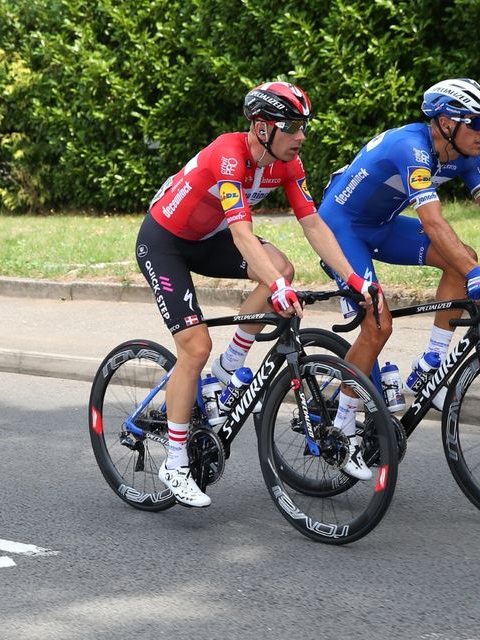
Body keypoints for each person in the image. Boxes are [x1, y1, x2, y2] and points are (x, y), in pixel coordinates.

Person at [137, 81, 377, 508]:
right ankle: (174, 463)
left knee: (281, 269)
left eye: (304, 126)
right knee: (195, 346)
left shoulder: (288, 163)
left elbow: (313, 223)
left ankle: (228, 368)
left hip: (208, 239)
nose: (301, 136)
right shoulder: (228, 154)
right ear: (263, 128)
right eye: (292, 127)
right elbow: (242, 233)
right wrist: (280, 290)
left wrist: (353, 279)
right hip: (165, 242)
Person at [318, 77, 480, 479]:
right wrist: (476, 275)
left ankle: (431, 363)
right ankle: (342, 427)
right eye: (477, 121)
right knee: (378, 326)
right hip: (339, 229)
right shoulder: (412, 147)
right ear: (447, 122)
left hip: (381, 225)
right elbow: (432, 222)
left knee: (463, 259)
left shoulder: (467, 155)